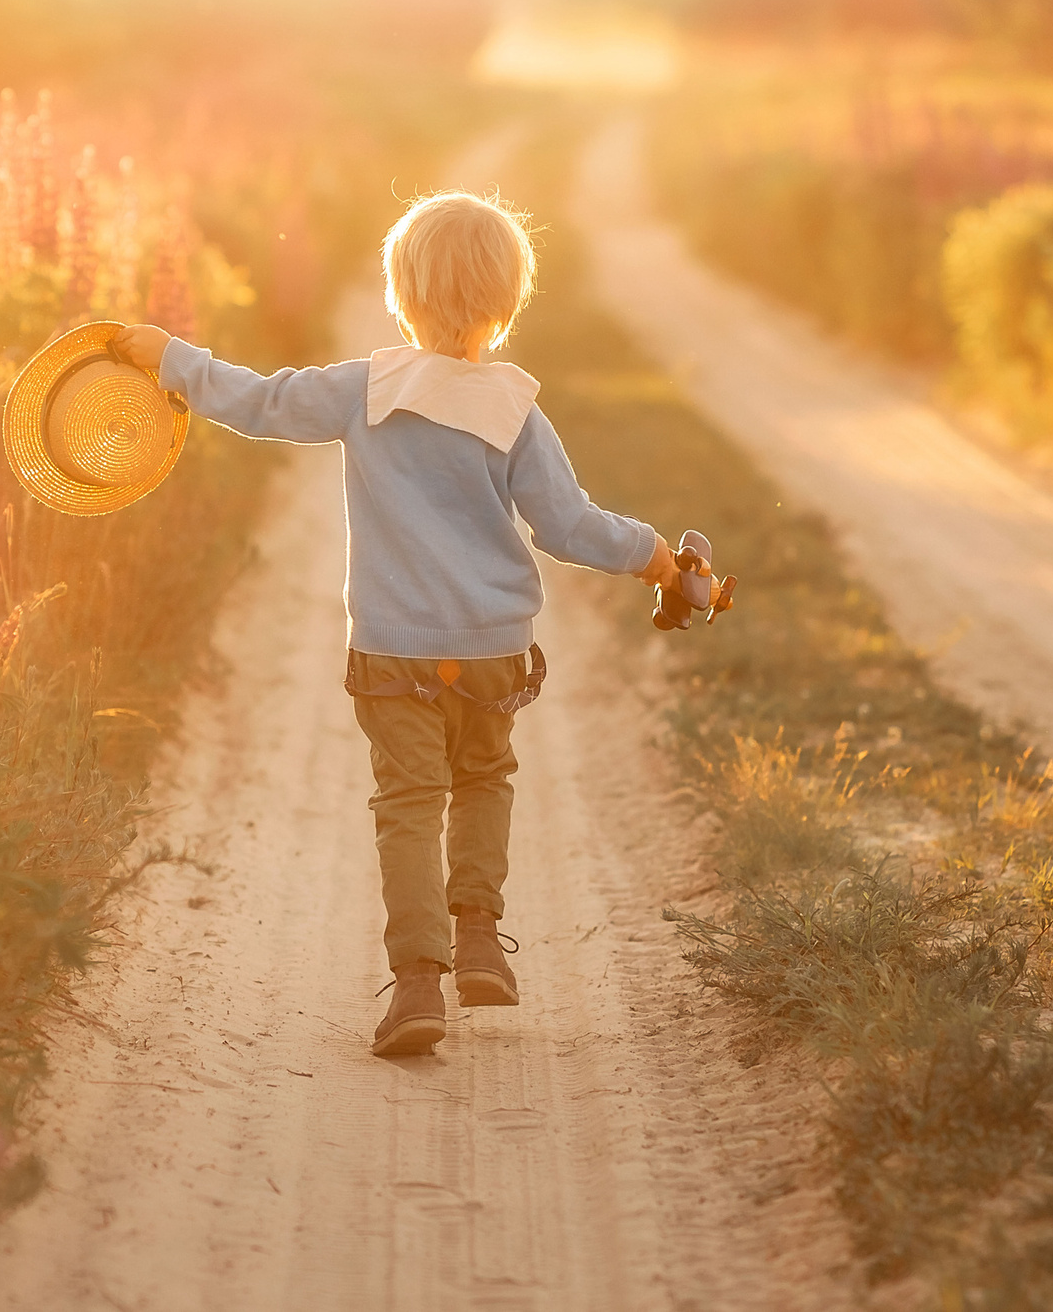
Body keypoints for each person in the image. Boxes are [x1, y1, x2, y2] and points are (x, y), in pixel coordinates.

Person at [112, 190, 698, 1057]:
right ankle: (477, 937)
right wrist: (659, 559)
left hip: (393, 653)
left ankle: (418, 985)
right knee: (485, 779)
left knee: (410, 805)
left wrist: (173, 359)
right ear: (507, 299)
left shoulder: (365, 389)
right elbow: (569, 526)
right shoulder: (515, 412)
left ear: (400, 290)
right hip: (494, 648)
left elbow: (261, 402)